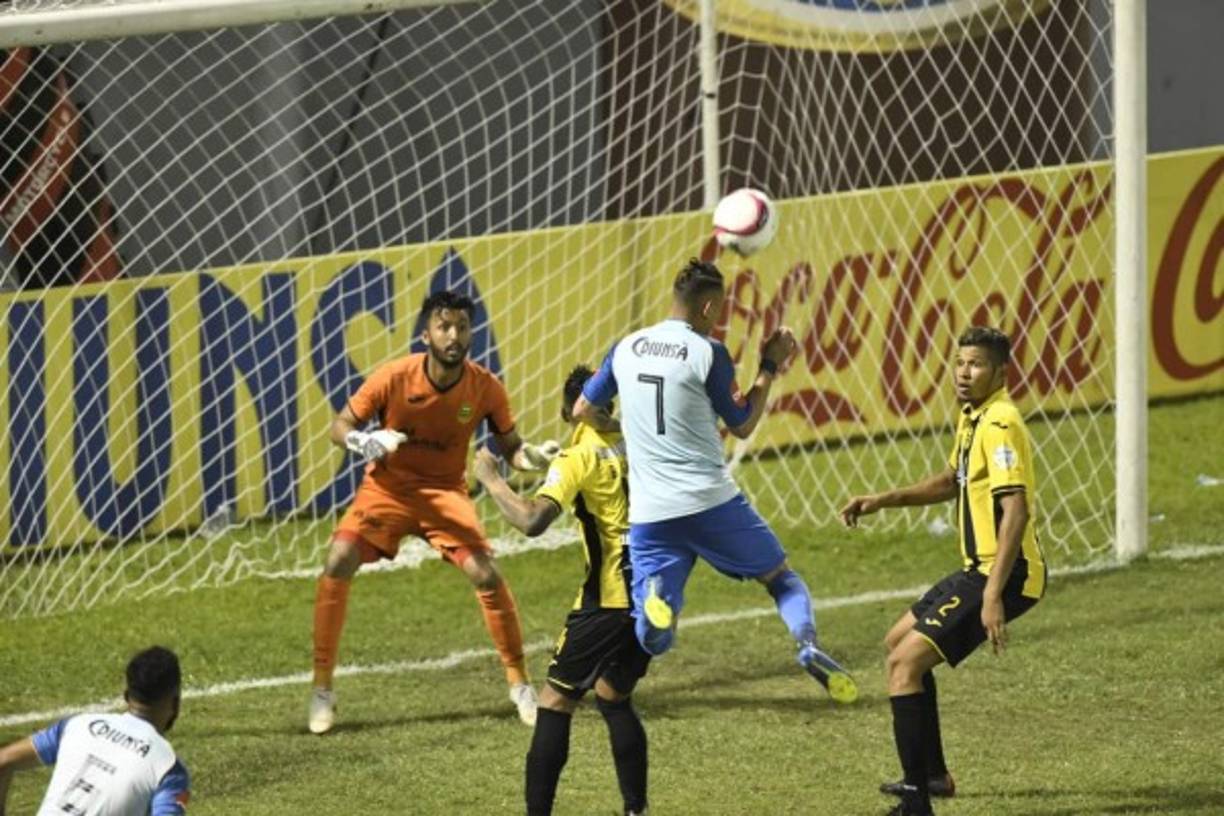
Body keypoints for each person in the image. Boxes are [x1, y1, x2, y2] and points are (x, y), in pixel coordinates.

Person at [571, 258, 856, 704]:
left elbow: (583, 410)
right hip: (711, 502)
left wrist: (630, 431)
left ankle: (657, 599)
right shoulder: (709, 353)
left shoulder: (625, 347)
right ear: (707, 307)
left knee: (654, 640)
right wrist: (769, 365)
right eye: (719, 309)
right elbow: (742, 423)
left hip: (650, 512)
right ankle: (807, 644)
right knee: (781, 578)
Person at [309, 289, 559, 734]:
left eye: (462, 327)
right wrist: (362, 442)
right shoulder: (394, 377)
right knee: (338, 559)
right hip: (387, 489)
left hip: (445, 493)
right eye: (444, 327)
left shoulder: (485, 387)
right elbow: (339, 426)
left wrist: (532, 457)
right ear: (426, 334)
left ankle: (519, 684)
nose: (454, 335)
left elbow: (512, 448)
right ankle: (322, 689)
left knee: (487, 574)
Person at [839, 326, 1047, 816]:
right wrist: (882, 501)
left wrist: (993, 594)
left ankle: (917, 801)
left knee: (903, 666)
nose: (963, 373)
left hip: (1006, 572)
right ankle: (932, 774)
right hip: (977, 568)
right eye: (959, 362)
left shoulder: (1000, 424)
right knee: (897, 644)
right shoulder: (972, 417)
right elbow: (950, 481)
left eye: (975, 364)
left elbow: (1015, 510)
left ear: (1000, 371)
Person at [472, 364, 651, 816]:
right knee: (613, 695)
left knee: (554, 703)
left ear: (568, 409)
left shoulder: (580, 457)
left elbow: (533, 520)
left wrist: (492, 478)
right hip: (655, 595)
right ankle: (635, 809)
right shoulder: (643, 439)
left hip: (609, 600)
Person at [0, 646, 189, 816]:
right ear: (175, 702)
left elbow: (3, 760)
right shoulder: (168, 768)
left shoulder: (77, 726)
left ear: (126, 695)